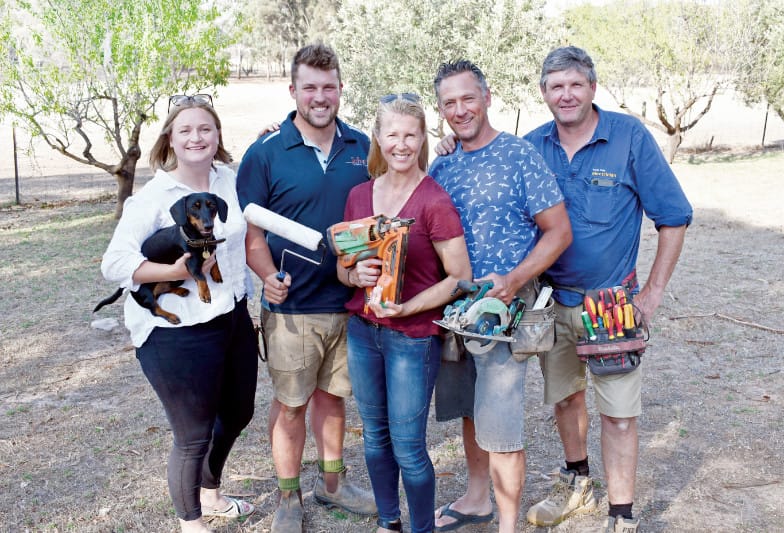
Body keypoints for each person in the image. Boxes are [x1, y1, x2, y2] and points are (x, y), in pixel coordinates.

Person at [522, 46, 692, 533]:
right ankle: (577, 485)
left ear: (593, 87)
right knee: (566, 399)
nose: (566, 94)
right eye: (556, 86)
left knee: (618, 415)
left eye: (575, 84)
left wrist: (653, 292)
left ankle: (621, 515)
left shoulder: (629, 137)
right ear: (544, 93)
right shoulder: (533, 147)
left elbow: (674, 217)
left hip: (611, 306)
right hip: (551, 302)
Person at [100, 94, 258, 533]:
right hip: (178, 333)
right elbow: (114, 263)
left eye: (205, 129)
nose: (196, 137)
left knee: (240, 411)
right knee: (193, 435)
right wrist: (173, 270)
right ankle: (191, 523)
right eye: (185, 129)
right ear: (170, 137)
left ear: (218, 135)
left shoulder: (229, 180)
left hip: (231, 316)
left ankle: (211, 492)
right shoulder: (154, 197)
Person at [235, 43, 377, 532]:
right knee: (292, 403)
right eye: (310, 87)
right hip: (293, 307)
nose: (321, 96)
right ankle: (288, 498)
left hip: (350, 302)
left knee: (333, 397)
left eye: (329, 87)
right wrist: (267, 277)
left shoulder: (362, 148)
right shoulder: (265, 153)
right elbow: (254, 237)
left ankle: (332, 484)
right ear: (293, 90)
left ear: (340, 89)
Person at [429, 59, 573, 533]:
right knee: (469, 408)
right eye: (449, 102)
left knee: (502, 422)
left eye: (468, 98)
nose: (460, 109)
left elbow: (558, 233)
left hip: (505, 313)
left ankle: (507, 524)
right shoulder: (443, 163)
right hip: (453, 313)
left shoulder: (519, 155)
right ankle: (475, 499)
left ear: (487, 97)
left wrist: (514, 279)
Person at [338, 93, 471, 533]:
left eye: (410, 134)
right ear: (378, 137)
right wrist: (354, 277)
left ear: (422, 138)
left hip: (412, 338)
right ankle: (389, 522)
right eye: (392, 134)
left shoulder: (433, 200)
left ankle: (421, 529)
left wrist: (409, 306)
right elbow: (345, 265)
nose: (401, 143)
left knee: (409, 446)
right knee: (374, 437)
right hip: (363, 332)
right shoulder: (359, 196)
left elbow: (459, 277)